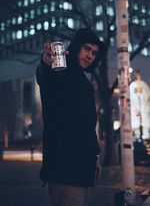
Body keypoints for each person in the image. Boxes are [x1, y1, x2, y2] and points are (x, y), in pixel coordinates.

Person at [36, 28, 105, 206]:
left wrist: (94, 157)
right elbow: (45, 77)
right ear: (76, 47)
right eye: (87, 48)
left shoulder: (84, 81)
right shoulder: (60, 71)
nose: (90, 55)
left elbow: (86, 125)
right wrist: (46, 62)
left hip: (83, 168)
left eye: (94, 52)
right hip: (64, 168)